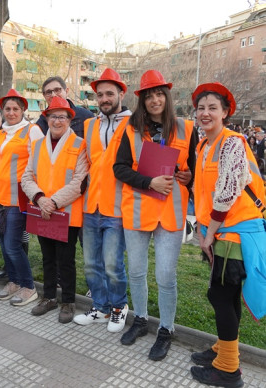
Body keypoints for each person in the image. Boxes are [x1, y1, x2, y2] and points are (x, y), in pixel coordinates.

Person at [113, 70, 197, 361]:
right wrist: (149, 182)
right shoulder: (130, 129)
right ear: (142, 101)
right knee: (135, 272)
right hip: (137, 210)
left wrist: (188, 176)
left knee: (165, 276)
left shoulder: (187, 128)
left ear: (167, 97)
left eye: (159, 94)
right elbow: (119, 168)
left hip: (171, 214)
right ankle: (140, 319)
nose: (155, 100)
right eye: (149, 96)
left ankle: (167, 328)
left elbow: (195, 171)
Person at [190, 83, 266, 388]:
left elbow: (229, 190)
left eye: (212, 107)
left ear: (225, 113)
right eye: (201, 107)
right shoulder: (205, 144)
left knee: (220, 297)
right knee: (224, 295)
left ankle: (228, 369)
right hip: (223, 230)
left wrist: (210, 233)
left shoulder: (231, 141)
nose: (205, 113)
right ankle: (223, 349)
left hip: (233, 232)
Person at [73, 68, 132, 332]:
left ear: (122, 93)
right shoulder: (89, 125)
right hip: (91, 205)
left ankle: (119, 306)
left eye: (110, 93)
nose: (105, 98)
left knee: (112, 263)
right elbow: (85, 164)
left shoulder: (135, 124)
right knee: (91, 262)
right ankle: (100, 306)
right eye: (100, 95)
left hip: (119, 207)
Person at [21, 96, 88, 323]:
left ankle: (68, 301)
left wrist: (54, 202)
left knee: (66, 259)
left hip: (65, 212)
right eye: (53, 116)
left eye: (62, 116)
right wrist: (40, 199)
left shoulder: (79, 144)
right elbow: (27, 177)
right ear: (46, 118)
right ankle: (49, 297)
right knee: (47, 257)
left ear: (70, 119)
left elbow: (79, 182)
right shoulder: (38, 145)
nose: (57, 121)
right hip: (43, 210)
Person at [0, 89, 44, 306]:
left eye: (16, 108)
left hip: (18, 199)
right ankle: (15, 281)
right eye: (7, 108)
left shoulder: (32, 131)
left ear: (23, 110)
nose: (11, 112)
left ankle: (29, 286)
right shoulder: (0, 134)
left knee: (12, 245)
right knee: (2, 243)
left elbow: (40, 163)